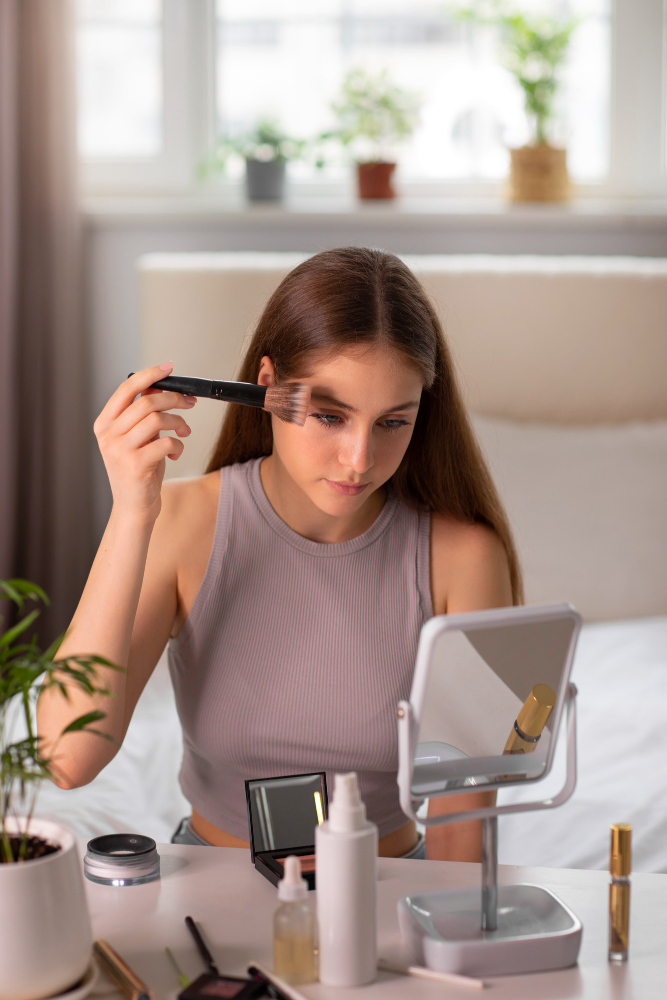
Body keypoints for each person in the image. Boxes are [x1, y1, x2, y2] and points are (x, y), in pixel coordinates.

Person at [36, 247, 522, 861]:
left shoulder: (463, 558)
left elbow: (460, 836)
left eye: (393, 423)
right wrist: (133, 511)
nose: (358, 458)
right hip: (215, 885)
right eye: (328, 416)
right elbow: (65, 759)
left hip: (392, 884)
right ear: (266, 387)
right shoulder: (184, 524)